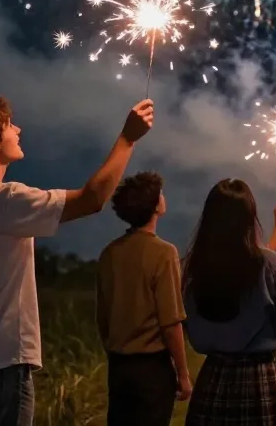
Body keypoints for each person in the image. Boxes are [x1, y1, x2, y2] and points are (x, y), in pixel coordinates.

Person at [0, 95, 154, 426]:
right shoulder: (3, 199)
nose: (18, 129)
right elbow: (92, 199)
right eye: (8, 126)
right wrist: (128, 138)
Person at [182, 180, 276, 425]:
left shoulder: (194, 267)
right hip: (260, 378)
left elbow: (196, 337)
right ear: (249, 217)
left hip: (214, 378)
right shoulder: (270, 263)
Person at [97, 171, 191, 426]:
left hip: (118, 367)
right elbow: (170, 321)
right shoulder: (164, 252)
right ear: (155, 205)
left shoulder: (110, 253)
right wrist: (182, 373)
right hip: (151, 370)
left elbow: (103, 317)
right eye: (160, 193)